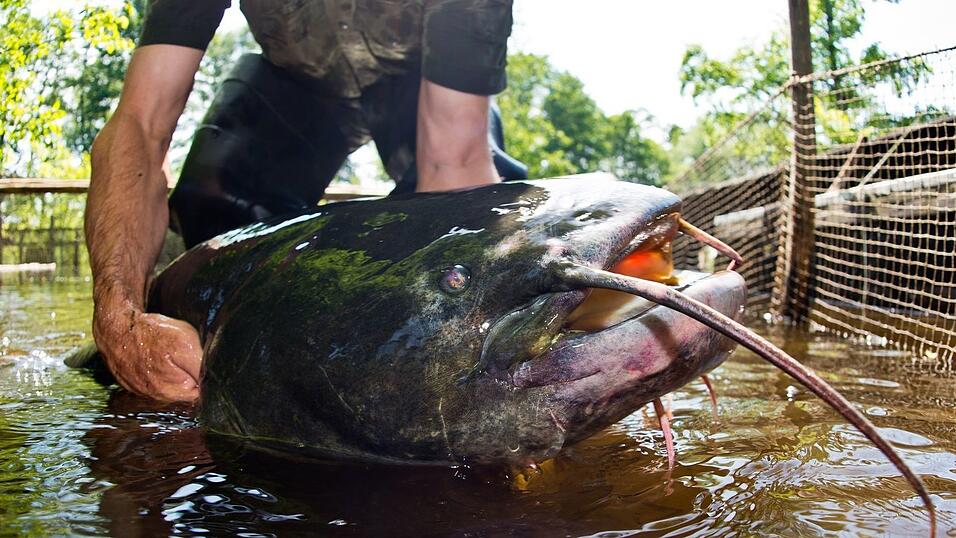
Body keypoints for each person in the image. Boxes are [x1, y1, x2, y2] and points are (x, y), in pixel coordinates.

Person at [84, 0, 527, 403]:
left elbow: (452, 162)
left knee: (472, 226)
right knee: (212, 204)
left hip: (419, 90)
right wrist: (118, 319)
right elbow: (140, 125)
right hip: (294, 89)